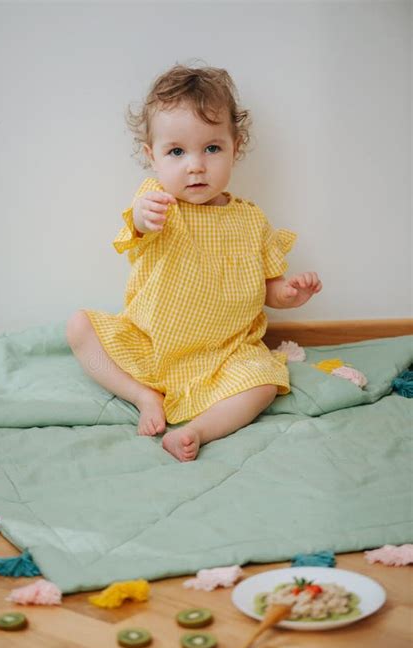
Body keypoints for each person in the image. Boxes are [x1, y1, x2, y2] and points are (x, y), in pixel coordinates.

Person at [66, 62, 322, 462]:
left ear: (235, 148)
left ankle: (199, 429)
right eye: (177, 151)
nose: (196, 165)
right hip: (151, 346)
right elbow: (134, 230)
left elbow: (269, 288)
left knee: (266, 382)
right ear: (154, 157)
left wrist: (289, 294)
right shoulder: (158, 203)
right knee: (80, 328)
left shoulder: (250, 220)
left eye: (212, 148)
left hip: (224, 354)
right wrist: (142, 217)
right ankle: (142, 395)